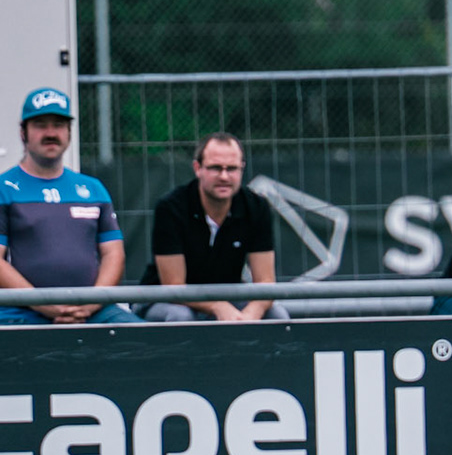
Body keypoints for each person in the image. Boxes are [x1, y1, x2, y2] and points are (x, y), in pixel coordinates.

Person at [0, 88, 140, 327]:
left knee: (144, 337)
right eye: (41, 125)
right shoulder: (4, 188)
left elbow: (113, 254)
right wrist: (44, 305)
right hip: (22, 312)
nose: (51, 133)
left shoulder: (93, 189)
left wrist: (91, 304)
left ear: (69, 132)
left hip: (93, 311)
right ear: (23, 133)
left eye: (59, 125)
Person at [141, 132, 290, 322]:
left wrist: (251, 313)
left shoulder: (256, 207)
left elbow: (266, 282)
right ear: (197, 168)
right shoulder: (171, 208)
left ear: (242, 169)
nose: (224, 176)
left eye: (232, 168)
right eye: (215, 168)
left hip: (228, 298)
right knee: (181, 317)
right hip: (166, 301)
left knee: (276, 315)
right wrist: (217, 306)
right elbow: (174, 287)